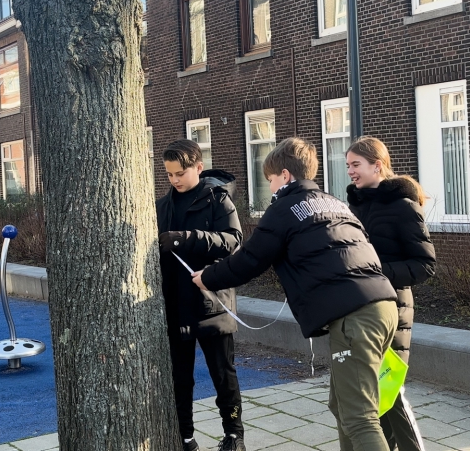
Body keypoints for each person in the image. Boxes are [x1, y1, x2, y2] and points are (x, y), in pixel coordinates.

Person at [193, 137, 399, 451]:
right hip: (382, 306)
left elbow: (250, 259)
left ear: (285, 176)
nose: (271, 187)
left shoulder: (284, 208)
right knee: (341, 405)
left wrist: (207, 277)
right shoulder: (333, 202)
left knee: (360, 417)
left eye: (271, 180)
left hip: (354, 317)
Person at [346, 136, 436, 451]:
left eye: (356, 165)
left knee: (389, 390)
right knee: (374, 395)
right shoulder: (353, 206)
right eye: (348, 166)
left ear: (378, 166)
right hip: (361, 309)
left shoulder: (403, 206)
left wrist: (374, 270)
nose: (350, 172)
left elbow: (425, 265)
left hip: (395, 310)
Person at [156, 139, 246, 451]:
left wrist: (185, 239)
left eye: (180, 173)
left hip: (212, 303)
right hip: (174, 305)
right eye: (168, 174)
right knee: (180, 380)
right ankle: (186, 437)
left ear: (198, 167)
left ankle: (234, 435)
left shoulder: (218, 199)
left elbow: (233, 240)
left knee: (224, 377)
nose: (174, 180)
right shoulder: (163, 205)